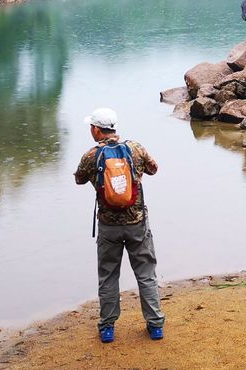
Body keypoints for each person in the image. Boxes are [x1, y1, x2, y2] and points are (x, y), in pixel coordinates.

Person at [73, 107, 165, 342]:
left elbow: (79, 180)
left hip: (108, 226)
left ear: (96, 129)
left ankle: (107, 328)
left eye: (90, 128)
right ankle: (155, 326)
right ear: (113, 127)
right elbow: (154, 169)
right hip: (137, 223)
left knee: (108, 276)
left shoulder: (91, 155)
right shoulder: (135, 148)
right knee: (146, 274)